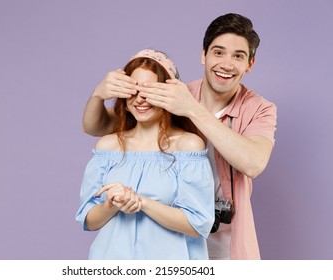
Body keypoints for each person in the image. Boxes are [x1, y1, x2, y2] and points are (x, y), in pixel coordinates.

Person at [81, 13, 277, 260]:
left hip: (224, 237)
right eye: (218, 52)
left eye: (238, 56)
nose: (226, 64)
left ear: (249, 63)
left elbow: (253, 162)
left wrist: (191, 108)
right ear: (203, 54)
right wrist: (98, 94)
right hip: (166, 236)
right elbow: (101, 125)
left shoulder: (259, 108)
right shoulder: (171, 90)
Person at [76, 49, 215, 260]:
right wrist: (111, 204)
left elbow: (198, 224)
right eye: (133, 89)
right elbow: (89, 219)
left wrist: (142, 202)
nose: (140, 99)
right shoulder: (108, 146)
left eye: (150, 90)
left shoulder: (188, 146)